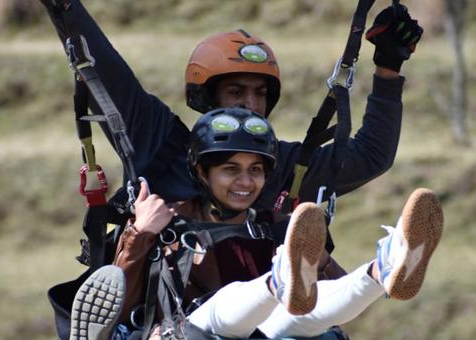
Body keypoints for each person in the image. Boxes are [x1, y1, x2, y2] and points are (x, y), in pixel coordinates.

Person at [63, 107, 443, 340]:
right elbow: (120, 305)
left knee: (301, 319)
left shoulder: (270, 226)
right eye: (231, 169)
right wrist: (140, 234)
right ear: (201, 173)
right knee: (225, 314)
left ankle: (384, 269)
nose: (245, 182)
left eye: (256, 170)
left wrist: (320, 258)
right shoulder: (164, 221)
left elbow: (332, 307)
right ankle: (279, 282)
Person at [38, 0, 423, 207]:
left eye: (259, 94)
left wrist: (388, 70)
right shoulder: (161, 144)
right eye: (236, 93)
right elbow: (105, 70)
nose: (250, 105)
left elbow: (371, 156)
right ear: (208, 98)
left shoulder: (285, 168)